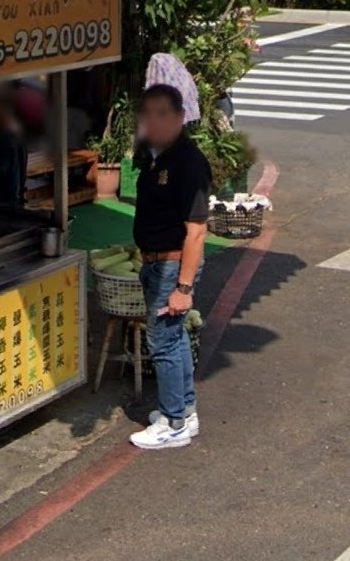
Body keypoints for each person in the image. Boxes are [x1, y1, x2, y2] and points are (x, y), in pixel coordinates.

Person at [129, 83, 212, 450]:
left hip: (171, 265)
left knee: (161, 341)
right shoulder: (154, 156)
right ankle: (184, 410)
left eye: (163, 113)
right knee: (175, 339)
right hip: (155, 262)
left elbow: (196, 232)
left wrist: (183, 288)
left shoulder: (187, 162)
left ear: (180, 117)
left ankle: (174, 422)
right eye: (148, 114)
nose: (154, 121)